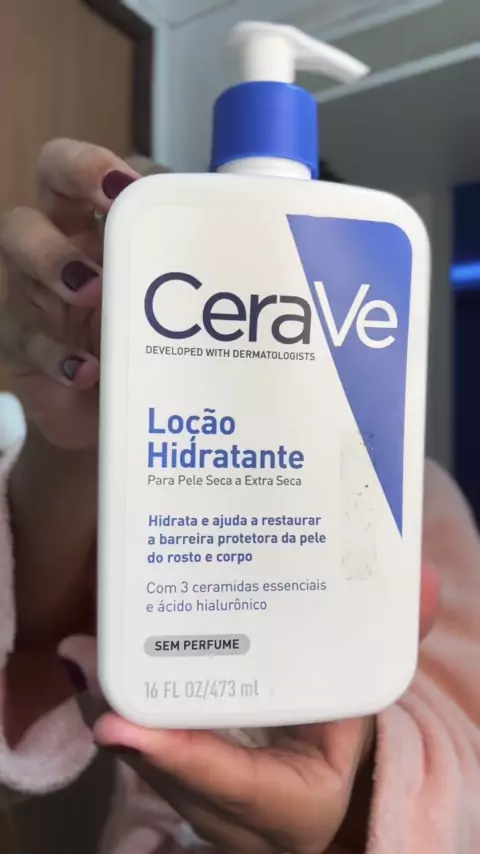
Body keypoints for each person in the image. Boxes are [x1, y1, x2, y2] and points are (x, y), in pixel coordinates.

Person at [0, 138, 478, 854]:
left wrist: (353, 796)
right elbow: (37, 655)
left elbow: (468, 749)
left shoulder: (400, 490)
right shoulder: (162, 454)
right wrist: (69, 450)